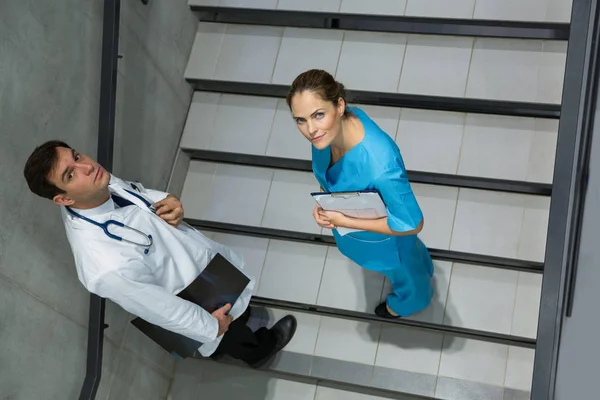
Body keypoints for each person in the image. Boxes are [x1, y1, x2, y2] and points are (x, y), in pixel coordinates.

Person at [23, 140, 296, 367]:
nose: (87, 166)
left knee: (238, 310)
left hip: (207, 271)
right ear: (63, 199)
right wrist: (210, 327)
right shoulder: (103, 265)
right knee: (230, 334)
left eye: (77, 156)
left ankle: (241, 319)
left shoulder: (96, 185)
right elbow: (160, 309)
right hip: (197, 301)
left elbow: (137, 194)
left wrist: (169, 202)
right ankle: (257, 352)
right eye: (70, 174)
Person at [286, 69, 434, 318]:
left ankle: (406, 304)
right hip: (356, 230)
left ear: (340, 105)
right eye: (301, 120)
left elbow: (411, 222)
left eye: (318, 115)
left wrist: (344, 221)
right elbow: (329, 176)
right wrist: (324, 200)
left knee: (408, 273)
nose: (310, 129)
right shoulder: (330, 133)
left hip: (387, 240)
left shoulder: (380, 165)